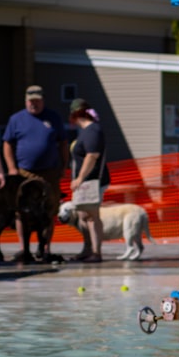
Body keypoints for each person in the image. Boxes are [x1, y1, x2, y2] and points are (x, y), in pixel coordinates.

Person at [2, 84, 68, 262]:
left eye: (37, 101)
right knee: (21, 211)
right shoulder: (16, 119)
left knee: (49, 210)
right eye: (31, 101)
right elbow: (7, 144)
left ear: (43, 101)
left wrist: (64, 166)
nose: (34, 104)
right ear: (26, 101)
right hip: (24, 173)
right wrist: (11, 168)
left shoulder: (53, 117)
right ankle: (24, 249)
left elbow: (63, 143)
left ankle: (45, 249)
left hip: (50, 173)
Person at [67, 99, 109, 263]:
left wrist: (80, 178)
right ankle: (87, 249)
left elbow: (92, 156)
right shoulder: (86, 131)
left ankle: (96, 252)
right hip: (85, 182)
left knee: (91, 216)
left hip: (93, 181)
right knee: (83, 215)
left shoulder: (93, 130)